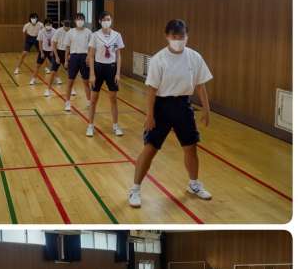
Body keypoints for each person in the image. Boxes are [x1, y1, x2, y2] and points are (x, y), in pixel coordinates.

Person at [129, 19, 213, 207]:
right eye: (175, 36)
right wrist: (149, 115)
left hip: (183, 106)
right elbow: (151, 90)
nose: (179, 40)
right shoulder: (159, 59)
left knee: (191, 147)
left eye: (182, 36)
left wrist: (206, 109)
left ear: (187, 36)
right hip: (161, 107)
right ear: (167, 36)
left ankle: (194, 184)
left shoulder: (194, 57)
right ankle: (135, 189)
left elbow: (201, 85)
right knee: (150, 149)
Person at [87, 11, 125, 137]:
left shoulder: (117, 35)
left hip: (111, 68)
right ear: (99, 21)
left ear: (111, 20)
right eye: (104, 20)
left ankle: (115, 126)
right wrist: (92, 74)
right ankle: (90, 125)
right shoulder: (95, 35)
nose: (106, 22)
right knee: (93, 99)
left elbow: (118, 56)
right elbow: (91, 56)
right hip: (98, 68)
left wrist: (118, 73)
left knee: (113, 99)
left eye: (108, 19)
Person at [63, 13, 92, 111]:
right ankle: (67, 103)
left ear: (84, 20)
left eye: (81, 19)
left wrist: (89, 57)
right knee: (70, 81)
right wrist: (66, 60)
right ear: (75, 21)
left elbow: (91, 47)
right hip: (74, 57)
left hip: (84, 57)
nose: (80, 21)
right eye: (78, 19)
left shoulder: (88, 32)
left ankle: (89, 102)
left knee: (86, 82)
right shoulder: (70, 32)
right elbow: (67, 47)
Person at [44, 19, 71, 96]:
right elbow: (54, 44)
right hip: (58, 52)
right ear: (63, 25)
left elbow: (71, 45)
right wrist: (56, 57)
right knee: (53, 72)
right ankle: (48, 90)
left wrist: (68, 57)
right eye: (65, 26)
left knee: (70, 73)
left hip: (67, 52)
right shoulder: (58, 31)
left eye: (68, 26)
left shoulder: (72, 32)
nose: (67, 28)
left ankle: (72, 89)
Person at [29, 18, 56, 85]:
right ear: (44, 25)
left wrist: (53, 51)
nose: (48, 25)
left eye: (50, 24)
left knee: (54, 66)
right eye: (47, 24)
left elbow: (55, 43)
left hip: (51, 51)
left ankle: (57, 79)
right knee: (38, 66)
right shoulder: (41, 31)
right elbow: (40, 43)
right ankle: (33, 79)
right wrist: (41, 52)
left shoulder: (55, 31)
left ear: (52, 24)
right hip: (43, 51)